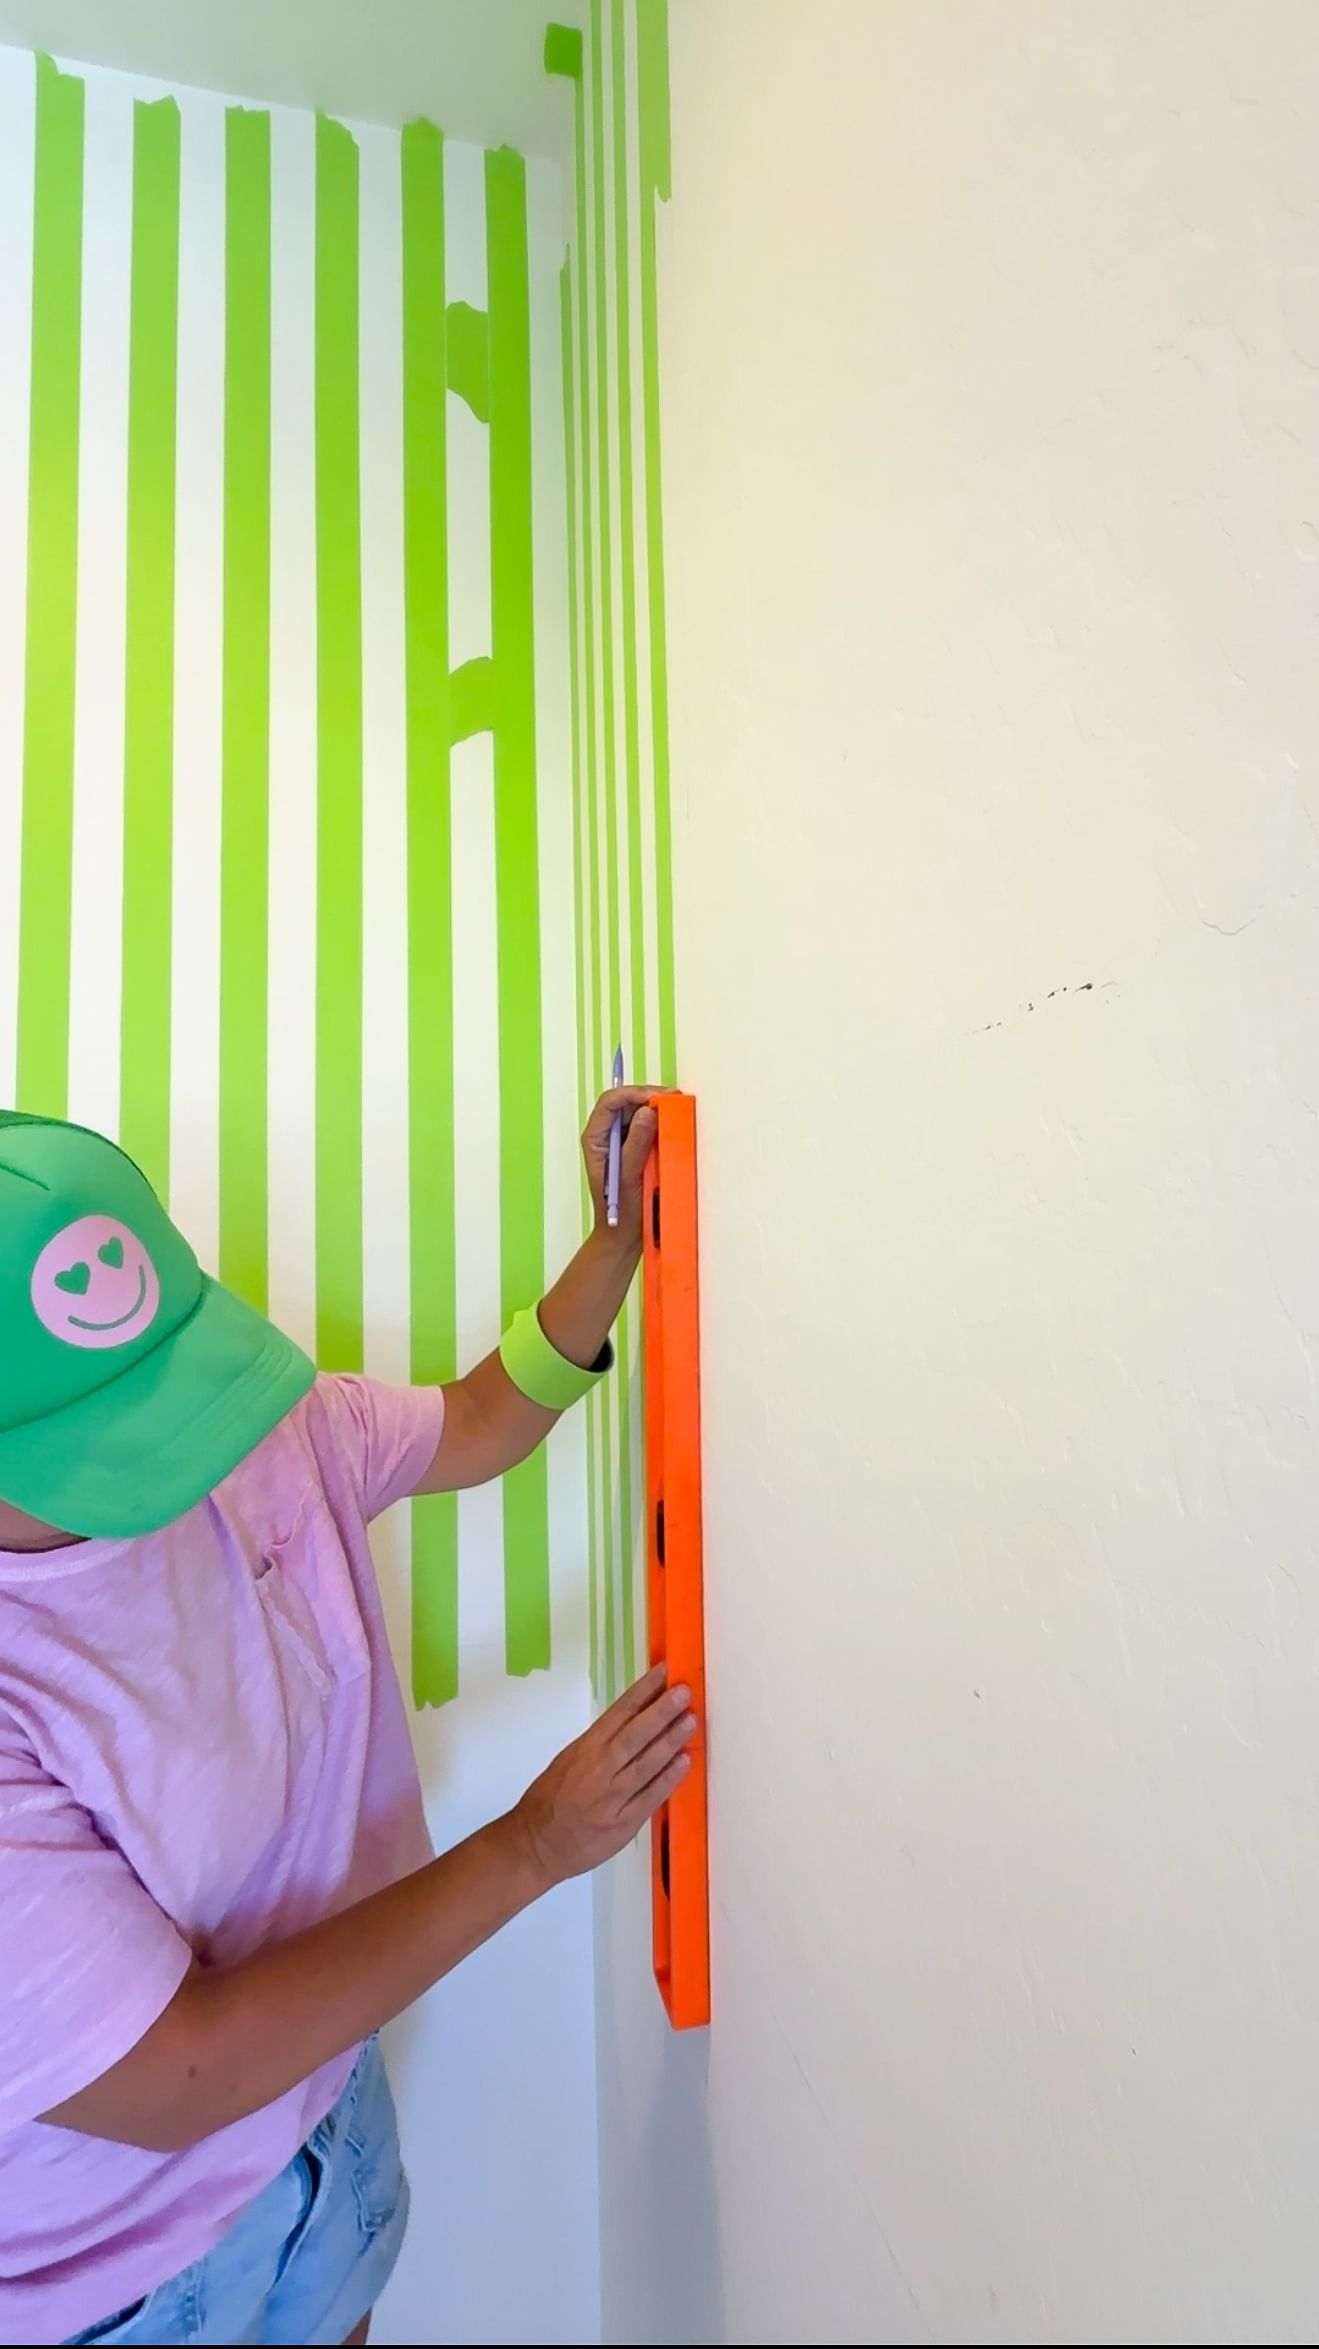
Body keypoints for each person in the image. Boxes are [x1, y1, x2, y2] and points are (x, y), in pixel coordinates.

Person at [0, 1092, 694, 2349]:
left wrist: (610, 1248)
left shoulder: (259, 1433)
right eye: (110, 1438)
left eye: (163, 1389)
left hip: (324, 2114)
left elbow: (480, 1422)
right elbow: (181, 2074)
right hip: (116, 2282)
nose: (184, 1464)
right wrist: (533, 1843)